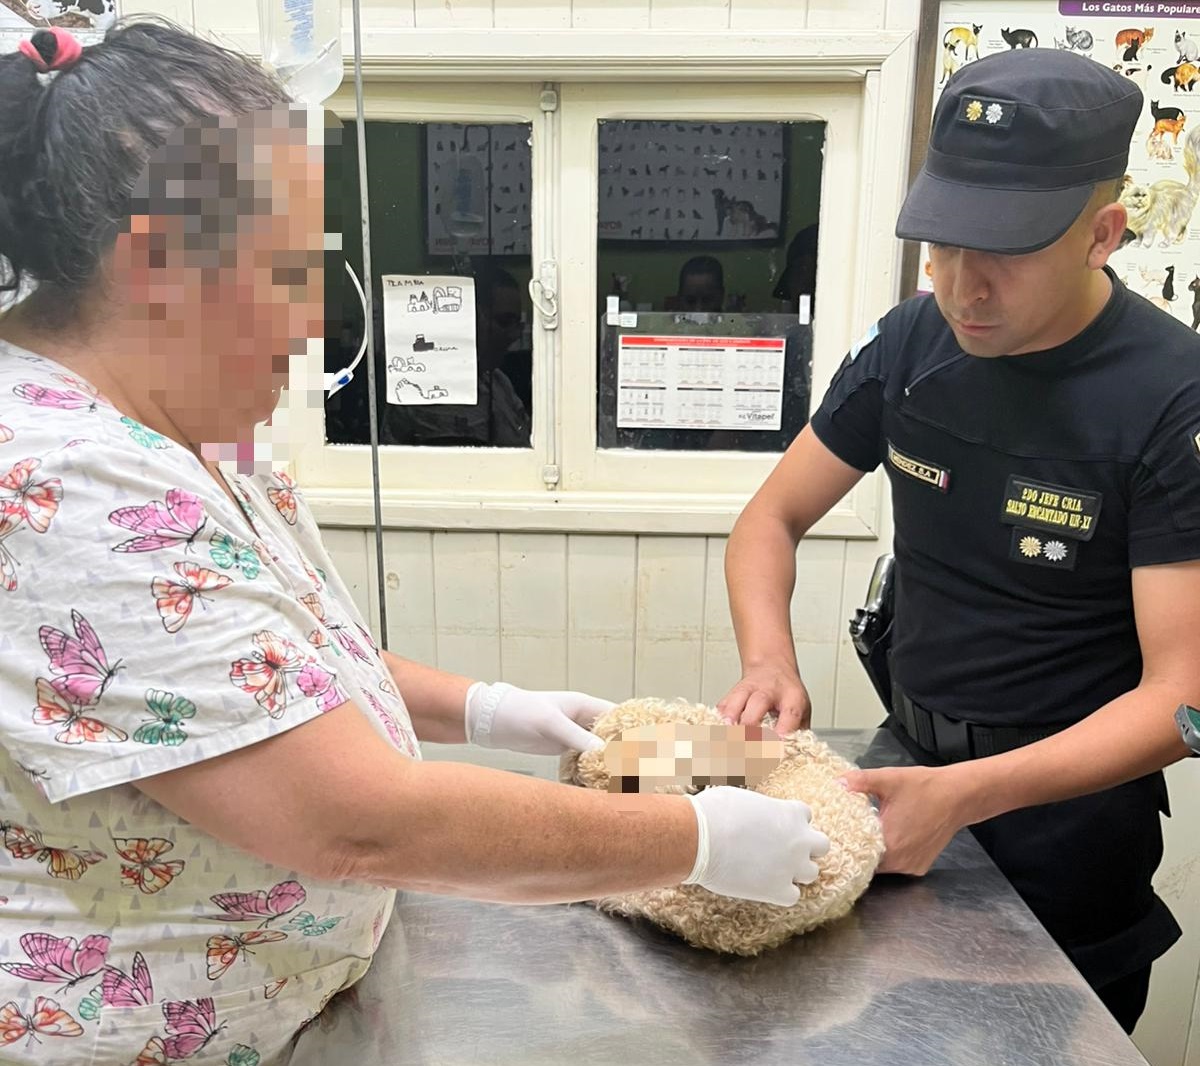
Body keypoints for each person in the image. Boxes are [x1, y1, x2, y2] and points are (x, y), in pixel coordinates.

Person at [0, 21, 830, 1064]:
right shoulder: (54, 478)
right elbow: (357, 821)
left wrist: (488, 708)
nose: (317, 324)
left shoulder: (189, 431)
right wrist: (696, 842)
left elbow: (277, 660)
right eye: (290, 271)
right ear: (161, 264)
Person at [718, 48, 1200, 1034]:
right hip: (907, 768)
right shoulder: (910, 345)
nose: (962, 287)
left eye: (1005, 251)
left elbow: (1184, 701)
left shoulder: (1169, 399)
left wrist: (969, 794)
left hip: (1067, 832)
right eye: (940, 245)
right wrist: (770, 659)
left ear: (1101, 234)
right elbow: (769, 518)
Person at [385, 261, 532, 447]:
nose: (514, 335)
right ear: (473, 319)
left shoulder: (499, 383)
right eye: (504, 322)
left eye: (517, 324)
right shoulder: (426, 392)